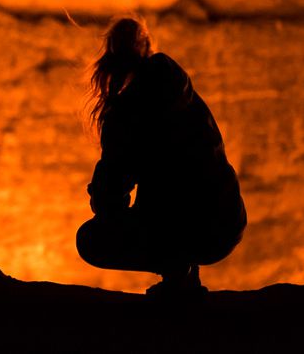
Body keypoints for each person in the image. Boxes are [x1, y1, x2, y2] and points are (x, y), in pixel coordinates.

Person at [76, 17, 246, 296]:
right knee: (181, 194)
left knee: (90, 239)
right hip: (227, 222)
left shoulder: (126, 111)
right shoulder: (185, 94)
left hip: (183, 228)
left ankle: (176, 272)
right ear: (149, 49)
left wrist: (102, 198)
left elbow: (110, 196)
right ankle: (184, 272)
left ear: (110, 60)